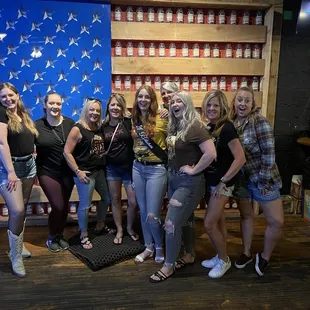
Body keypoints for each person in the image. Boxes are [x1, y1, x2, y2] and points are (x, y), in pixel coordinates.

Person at [149, 91, 216, 283]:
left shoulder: (195, 126)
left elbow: (211, 153)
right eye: (173, 101)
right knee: (186, 220)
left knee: (171, 223)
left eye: (180, 101)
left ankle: (168, 266)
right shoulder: (175, 125)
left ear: (188, 105)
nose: (175, 104)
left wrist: (194, 170)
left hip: (189, 183)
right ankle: (189, 254)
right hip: (174, 179)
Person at [230, 87, 284, 276]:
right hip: (241, 181)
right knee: (246, 217)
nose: (242, 104)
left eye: (247, 100)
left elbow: (269, 155)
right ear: (234, 102)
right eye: (239, 100)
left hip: (262, 179)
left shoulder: (259, 122)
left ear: (253, 104)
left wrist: (262, 183)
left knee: (276, 222)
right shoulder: (232, 124)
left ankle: (265, 256)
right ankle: (246, 253)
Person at [200, 90, 246, 278]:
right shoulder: (210, 128)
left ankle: (225, 260)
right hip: (211, 182)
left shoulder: (227, 128)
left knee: (209, 224)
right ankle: (221, 256)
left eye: (216, 105)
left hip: (222, 184)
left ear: (223, 108)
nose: (211, 108)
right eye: (209, 104)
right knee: (219, 221)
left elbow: (240, 158)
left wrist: (223, 181)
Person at [0, 82, 38, 277]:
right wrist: (11, 172)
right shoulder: (2, 114)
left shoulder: (22, 114)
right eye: (3, 96)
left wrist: (33, 153)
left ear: (18, 95)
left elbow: (26, 138)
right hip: (9, 168)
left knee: (22, 208)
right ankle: (15, 255)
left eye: (10, 95)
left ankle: (19, 246)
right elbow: (2, 144)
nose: (8, 99)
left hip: (28, 165)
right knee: (17, 210)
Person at [64, 98, 109, 249]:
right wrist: (77, 171)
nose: (95, 113)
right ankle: (83, 233)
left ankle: (100, 224)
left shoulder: (99, 127)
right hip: (85, 173)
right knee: (85, 205)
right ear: (86, 110)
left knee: (107, 198)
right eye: (92, 109)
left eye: (97, 110)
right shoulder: (78, 128)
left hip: (100, 171)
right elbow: (67, 152)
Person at [131, 85, 168, 264]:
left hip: (157, 169)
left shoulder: (163, 118)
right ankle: (148, 247)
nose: (143, 100)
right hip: (138, 168)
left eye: (147, 97)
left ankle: (159, 245)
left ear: (152, 100)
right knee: (143, 210)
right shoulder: (133, 118)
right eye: (140, 97)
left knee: (153, 213)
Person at [35, 93, 75, 252]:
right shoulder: (36, 126)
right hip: (47, 171)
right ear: (45, 105)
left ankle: (59, 235)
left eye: (58, 103)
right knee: (57, 206)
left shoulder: (70, 124)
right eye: (51, 103)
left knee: (64, 206)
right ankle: (52, 236)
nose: (55, 106)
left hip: (67, 172)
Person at [102, 93, 139, 245]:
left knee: (133, 201)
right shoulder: (102, 125)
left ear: (123, 107)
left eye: (118, 105)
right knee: (115, 200)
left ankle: (129, 227)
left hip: (129, 168)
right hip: (112, 169)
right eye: (113, 105)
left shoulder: (129, 122)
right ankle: (119, 229)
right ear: (108, 107)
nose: (115, 108)